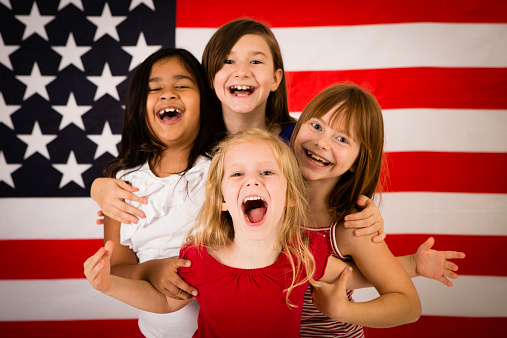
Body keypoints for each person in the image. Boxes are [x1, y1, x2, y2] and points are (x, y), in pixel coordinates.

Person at [84, 129, 422, 337]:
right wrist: (110, 285)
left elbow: (350, 274)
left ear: (291, 197)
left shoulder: (302, 253)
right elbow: (163, 301)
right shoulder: (200, 256)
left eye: (266, 172)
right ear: (220, 200)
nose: (252, 181)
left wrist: (411, 266)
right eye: (237, 174)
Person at [290, 83, 465, 337]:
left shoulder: (351, 226)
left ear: (357, 161)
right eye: (316, 126)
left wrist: (343, 310)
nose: (322, 143)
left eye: (342, 139)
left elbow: (409, 306)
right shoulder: (265, 203)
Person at [95, 47, 226, 338]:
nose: (168, 94)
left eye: (181, 85)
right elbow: (118, 267)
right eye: (155, 89)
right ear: (139, 107)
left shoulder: (225, 166)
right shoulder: (123, 184)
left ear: (205, 100)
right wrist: (150, 271)